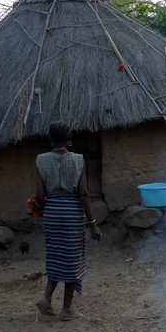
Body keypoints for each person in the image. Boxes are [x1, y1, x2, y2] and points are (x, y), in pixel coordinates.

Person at [34, 121, 101, 320]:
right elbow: (84, 194)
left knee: (56, 254)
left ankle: (46, 298)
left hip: (52, 212)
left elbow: (39, 196)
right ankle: (66, 309)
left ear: (50, 139)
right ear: (69, 138)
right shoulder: (78, 160)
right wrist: (93, 223)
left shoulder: (41, 160)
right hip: (72, 213)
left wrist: (39, 207)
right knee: (72, 259)